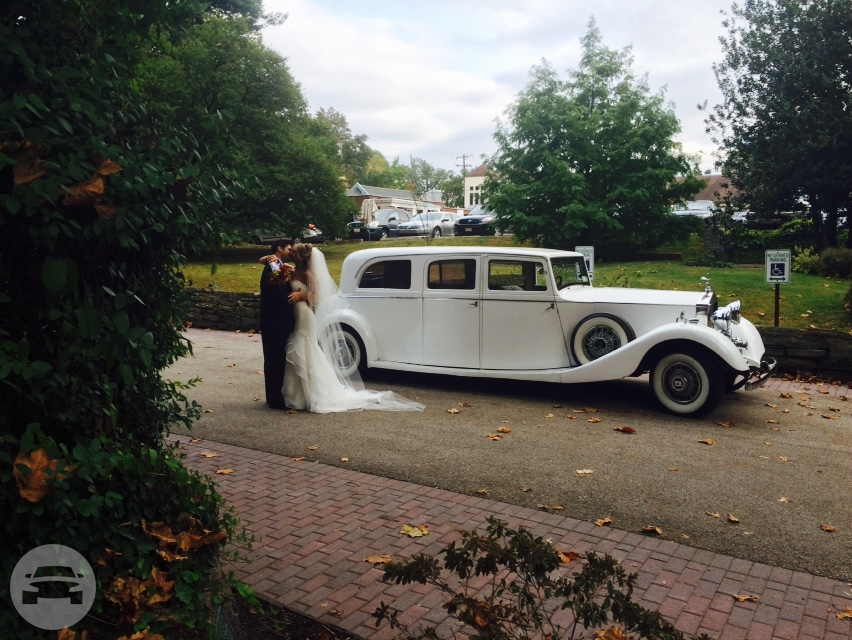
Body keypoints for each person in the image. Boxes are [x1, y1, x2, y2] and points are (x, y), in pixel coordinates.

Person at [282, 243, 424, 413]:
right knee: (299, 348)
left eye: (295, 252)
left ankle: (311, 393)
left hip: (304, 314)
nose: (292, 254)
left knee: (304, 347)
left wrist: (301, 295)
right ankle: (296, 393)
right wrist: (272, 258)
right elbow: (264, 261)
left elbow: (319, 295)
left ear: (302, 257)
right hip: (294, 314)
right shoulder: (289, 270)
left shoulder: (307, 274)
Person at [258, 240, 307, 409]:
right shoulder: (270, 268)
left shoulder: (280, 266)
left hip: (281, 322)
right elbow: (276, 296)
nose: (291, 252)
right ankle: (275, 399)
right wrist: (293, 298)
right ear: (279, 248)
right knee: (273, 360)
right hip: (274, 322)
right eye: (288, 249)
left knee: (278, 360)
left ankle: (276, 396)